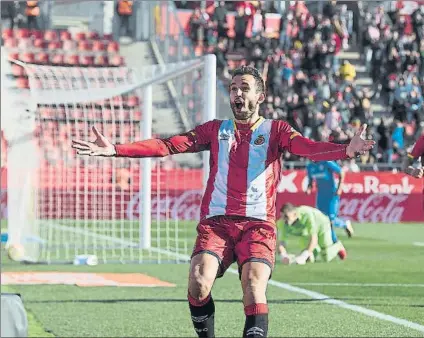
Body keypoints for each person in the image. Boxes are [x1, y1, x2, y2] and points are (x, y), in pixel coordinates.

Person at [72, 66, 375, 338]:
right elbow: (167, 145)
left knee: (254, 284)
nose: (237, 93)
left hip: (258, 226)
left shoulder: (276, 131)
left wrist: (346, 150)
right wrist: (116, 149)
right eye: (233, 88)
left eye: (244, 88)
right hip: (217, 224)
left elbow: (308, 148)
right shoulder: (215, 130)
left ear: (260, 95)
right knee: (197, 281)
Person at [277, 203, 347, 265]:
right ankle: (314, 251)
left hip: (322, 225)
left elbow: (314, 238)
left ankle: (338, 246)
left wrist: (303, 256)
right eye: (282, 217)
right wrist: (283, 256)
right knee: (309, 259)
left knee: (326, 256)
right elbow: (281, 242)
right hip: (305, 232)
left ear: (295, 214)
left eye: (286, 217)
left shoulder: (307, 214)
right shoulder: (282, 223)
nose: (284, 220)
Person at [305, 160, 354, 240]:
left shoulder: (327, 162)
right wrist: (309, 188)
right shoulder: (310, 166)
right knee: (322, 218)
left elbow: (341, 172)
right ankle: (333, 240)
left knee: (331, 219)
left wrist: (339, 188)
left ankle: (344, 224)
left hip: (332, 194)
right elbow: (310, 180)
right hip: (320, 195)